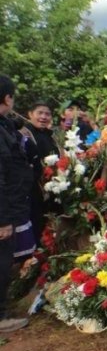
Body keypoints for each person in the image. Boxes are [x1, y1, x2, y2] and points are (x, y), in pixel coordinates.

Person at [0, 74, 33, 333]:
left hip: (11, 204)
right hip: (4, 209)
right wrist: (3, 219)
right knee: (2, 261)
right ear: (8, 98)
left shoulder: (5, 126)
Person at [25, 101, 60, 242]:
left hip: (53, 186)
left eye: (47, 114)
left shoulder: (52, 136)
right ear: (30, 114)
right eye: (40, 113)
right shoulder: (24, 135)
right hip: (32, 188)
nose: (44, 117)